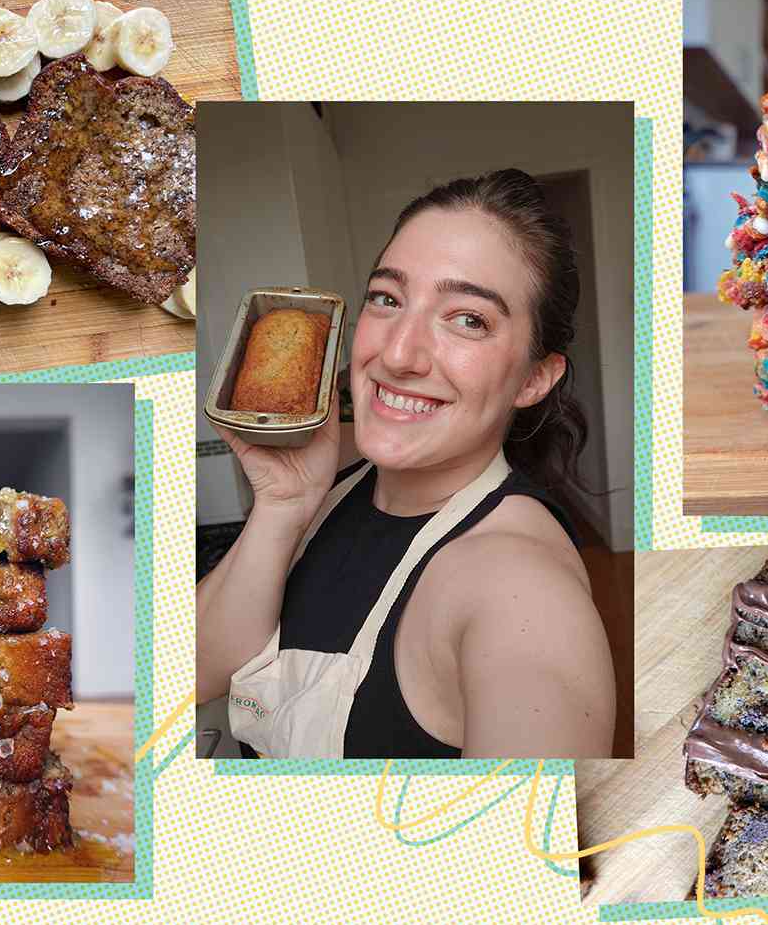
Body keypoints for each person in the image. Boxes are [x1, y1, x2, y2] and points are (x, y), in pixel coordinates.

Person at [197, 168, 615, 758]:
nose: (396, 354)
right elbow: (195, 675)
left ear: (534, 378)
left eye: (468, 319)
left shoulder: (522, 591)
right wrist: (282, 507)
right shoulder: (332, 489)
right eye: (388, 299)